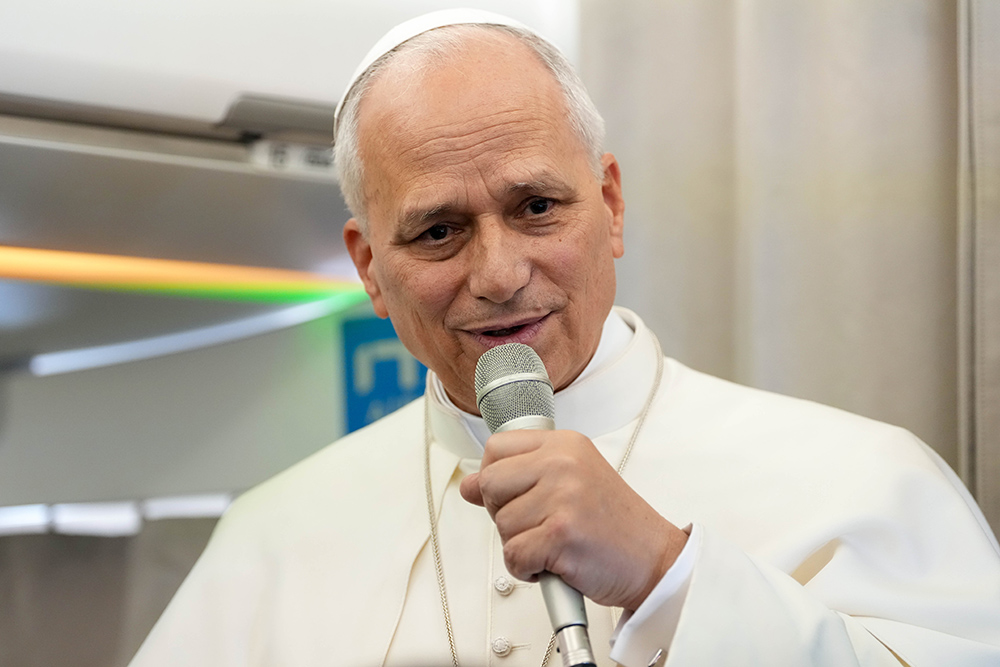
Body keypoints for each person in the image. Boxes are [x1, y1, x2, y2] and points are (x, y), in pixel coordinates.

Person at [130, 9, 1000, 667]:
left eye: (537, 206)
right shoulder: (268, 540)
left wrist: (668, 574)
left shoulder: (867, 479)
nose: (500, 273)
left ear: (610, 206)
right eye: (438, 231)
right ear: (369, 268)